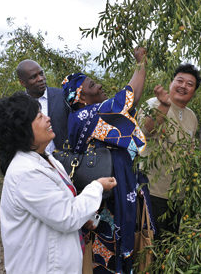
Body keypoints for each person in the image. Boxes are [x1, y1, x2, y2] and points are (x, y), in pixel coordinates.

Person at [0, 92, 117, 274]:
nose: (48, 119)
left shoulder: (47, 159)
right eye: (39, 117)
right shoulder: (26, 173)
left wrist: (85, 218)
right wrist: (97, 187)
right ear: (22, 130)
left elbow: (60, 204)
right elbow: (67, 216)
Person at [61, 47, 150, 273]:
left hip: (110, 190)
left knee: (113, 241)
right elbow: (129, 98)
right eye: (91, 85)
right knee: (107, 247)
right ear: (80, 97)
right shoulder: (85, 116)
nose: (99, 85)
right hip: (105, 196)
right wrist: (141, 63)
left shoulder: (88, 116)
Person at [138, 63, 201, 240]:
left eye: (190, 84)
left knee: (169, 243)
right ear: (171, 83)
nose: (183, 86)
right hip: (153, 190)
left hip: (177, 194)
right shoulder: (154, 104)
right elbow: (146, 131)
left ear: (194, 91)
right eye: (179, 81)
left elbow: (189, 149)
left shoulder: (191, 116)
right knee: (150, 243)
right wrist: (164, 106)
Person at [16, 59, 70, 154]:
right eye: (33, 77)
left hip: (64, 161)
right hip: (33, 162)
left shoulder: (62, 96)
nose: (40, 79)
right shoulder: (18, 105)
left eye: (41, 74)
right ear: (22, 83)